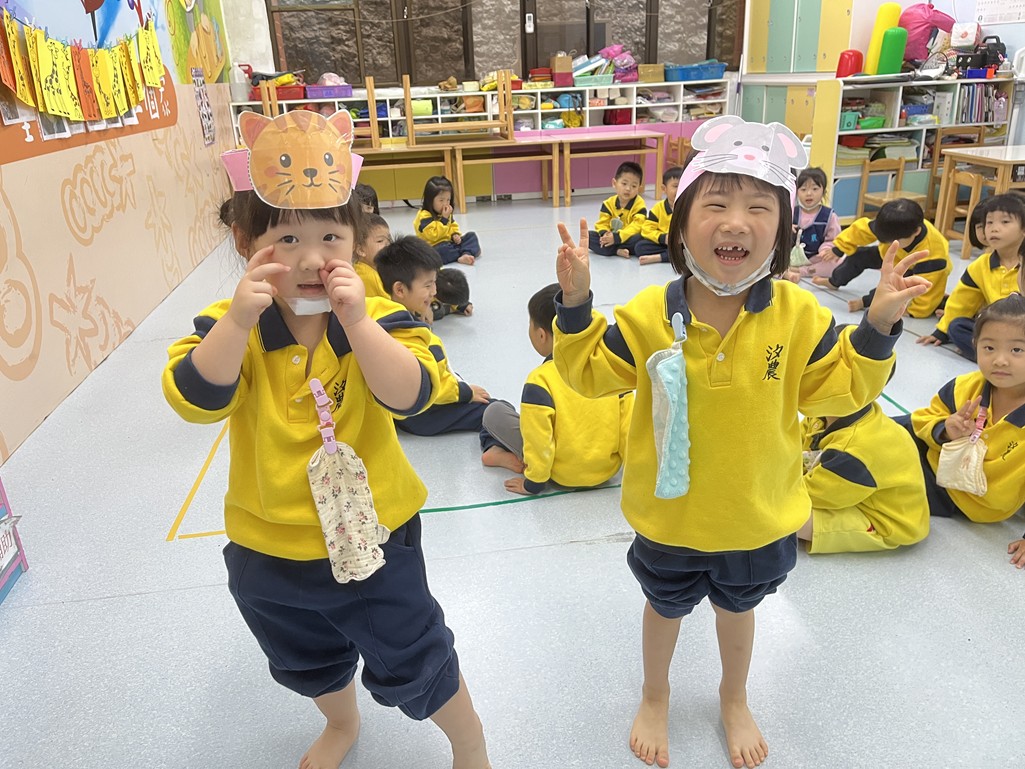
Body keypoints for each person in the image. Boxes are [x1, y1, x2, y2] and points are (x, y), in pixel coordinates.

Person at [551, 115, 930, 769]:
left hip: (757, 517)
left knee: (738, 610)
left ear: (782, 233)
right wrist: (576, 301)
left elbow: (838, 391)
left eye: (758, 207)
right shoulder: (645, 316)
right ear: (681, 224)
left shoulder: (800, 315)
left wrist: (876, 325)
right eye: (715, 204)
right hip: (670, 517)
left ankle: (734, 696)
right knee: (662, 607)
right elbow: (586, 373)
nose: (735, 221)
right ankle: (655, 692)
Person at [163, 120, 490, 769]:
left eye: (330, 238)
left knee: (416, 653)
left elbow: (414, 394)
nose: (312, 259)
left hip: (373, 540)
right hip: (266, 547)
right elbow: (195, 397)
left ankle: (470, 744)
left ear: (356, 242)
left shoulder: (380, 317)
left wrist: (359, 322)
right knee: (305, 658)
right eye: (287, 238)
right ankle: (342, 721)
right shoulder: (229, 325)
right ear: (245, 241)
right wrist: (238, 319)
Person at [377, 236, 519, 469]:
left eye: (434, 283)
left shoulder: (386, 313)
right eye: (427, 286)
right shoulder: (409, 334)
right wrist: (465, 393)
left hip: (406, 410)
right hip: (424, 413)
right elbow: (426, 385)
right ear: (400, 289)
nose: (434, 291)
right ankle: (494, 448)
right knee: (495, 409)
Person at [480, 283, 632, 495]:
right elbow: (628, 427)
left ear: (541, 335)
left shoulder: (540, 379)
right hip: (606, 470)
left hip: (560, 473)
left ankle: (499, 451)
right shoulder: (609, 368)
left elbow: (539, 439)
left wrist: (534, 483)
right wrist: (634, 472)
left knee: (495, 411)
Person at [901, 295, 1025, 554]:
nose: (1000, 360)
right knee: (889, 427)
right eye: (989, 348)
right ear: (975, 345)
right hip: (938, 458)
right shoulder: (965, 386)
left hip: (961, 497)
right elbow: (924, 419)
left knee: (880, 465)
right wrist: (945, 429)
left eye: (1017, 350)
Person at [798, 398, 929, 554]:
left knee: (788, 518)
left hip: (887, 521)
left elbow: (813, 495)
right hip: (850, 489)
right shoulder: (822, 414)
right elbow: (794, 444)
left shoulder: (854, 450)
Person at [917, 194, 1024, 360]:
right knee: (957, 326)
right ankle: (998, 358)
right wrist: (942, 332)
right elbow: (961, 302)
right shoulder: (980, 266)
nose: (994, 228)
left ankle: (992, 355)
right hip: (997, 329)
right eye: (989, 222)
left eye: (1005, 222)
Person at [812, 198, 950, 317]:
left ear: (916, 232)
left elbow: (930, 286)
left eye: (894, 241)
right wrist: (839, 248)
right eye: (885, 240)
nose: (890, 242)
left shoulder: (933, 254)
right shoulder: (890, 225)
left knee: (892, 285)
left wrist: (915, 311)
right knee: (858, 256)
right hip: (890, 255)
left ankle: (865, 302)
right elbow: (860, 231)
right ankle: (834, 281)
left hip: (913, 268)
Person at [788, 166, 842, 280]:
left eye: (815, 189)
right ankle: (787, 271)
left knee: (838, 262)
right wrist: (786, 228)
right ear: (797, 192)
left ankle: (801, 271)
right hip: (790, 256)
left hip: (815, 259)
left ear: (823, 192)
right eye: (803, 189)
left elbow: (834, 240)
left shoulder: (829, 216)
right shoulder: (791, 212)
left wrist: (826, 249)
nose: (809, 193)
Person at [414, 176, 482, 265]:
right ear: (430, 200)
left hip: (449, 243)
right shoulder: (424, 216)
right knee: (444, 250)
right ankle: (466, 252)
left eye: (448, 200)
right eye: (441, 200)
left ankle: (465, 254)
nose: (445, 204)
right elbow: (433, 236)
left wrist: (455, 235)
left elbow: (452, 225)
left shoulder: (445, 212)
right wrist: (444, 219)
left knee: (471, 236)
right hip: (434, 247)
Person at [588, 161, 648, 258]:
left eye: (634, 186)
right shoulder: (608, 203)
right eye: (624, 184)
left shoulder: (639, 204)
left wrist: (618, 237)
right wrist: (605, 234)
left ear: (639, 188)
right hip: (611, 237)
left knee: (642, 238)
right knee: (588, 237)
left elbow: (637, 226)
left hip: (629, 238)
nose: (628, 189)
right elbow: (602, 223)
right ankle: (617, 250)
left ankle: (611, 249)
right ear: (614, 183)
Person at [636, 166, 683, 265]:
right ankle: (670, 255)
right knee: (639, 247)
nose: (680, 190)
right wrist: (663, 238)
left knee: (689, 251)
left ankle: (659, 257)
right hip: (663, 242)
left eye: (683, 186)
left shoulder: (688, 208)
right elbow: (646, 229)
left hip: (680, 244)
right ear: (664, 189)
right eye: (675, 186)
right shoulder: (658, 208)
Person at [353, 213, 391, 300]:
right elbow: (393, 304)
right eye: (380, 241)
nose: (387, 244)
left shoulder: (363, 268)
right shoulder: (371, 277)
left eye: (389, 239)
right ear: (360, 250)